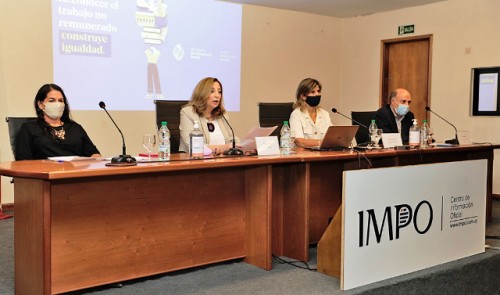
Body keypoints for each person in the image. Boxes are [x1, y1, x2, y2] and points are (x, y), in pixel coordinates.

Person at [15, 84, 101, 160]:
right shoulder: (29, 128)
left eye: (60, 100)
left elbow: (94, 154)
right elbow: (23, 161)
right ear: (40, 104)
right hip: (45, 175)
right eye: (52, 101)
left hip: (74, 174)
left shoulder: (75, 128)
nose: (58, 104)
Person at [179, 77, 235, 154]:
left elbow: (232, 140)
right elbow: (191, 144)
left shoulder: (222, 115)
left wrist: (240, 146)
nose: (217, 95)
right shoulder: (188, 112)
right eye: (212, 91)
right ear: (202, 93)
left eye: (219, 92)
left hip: (223, 161)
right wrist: (222, 148)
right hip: (197, 162)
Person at [289, 78, 333, 147]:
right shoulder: (296, 114)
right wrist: (322, 142)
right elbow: (299, 142)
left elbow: (332, 138)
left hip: (324, 154)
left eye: (318, 91)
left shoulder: (325, 114)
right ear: (303, 96)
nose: (317, 94)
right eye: (313, 92)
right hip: (304, 155)